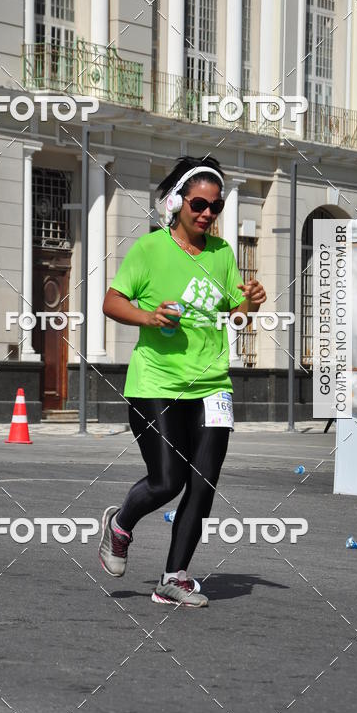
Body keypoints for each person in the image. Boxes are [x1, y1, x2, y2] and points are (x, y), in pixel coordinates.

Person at [99, 156, 267, 607]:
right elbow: (111, 302)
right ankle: (120, 524)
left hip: (213, 385)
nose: (208, 213)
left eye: (216, 206)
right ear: (177, 203)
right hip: (156, 383)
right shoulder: (150, 249)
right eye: (199, 204)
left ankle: (174, 578)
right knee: (167, 481)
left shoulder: (222, 254)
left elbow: (236, 316)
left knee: (204, 481)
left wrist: (250, 303)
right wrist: (148, 317)